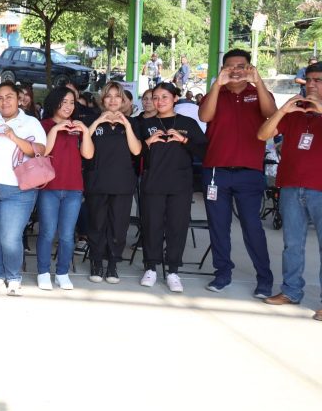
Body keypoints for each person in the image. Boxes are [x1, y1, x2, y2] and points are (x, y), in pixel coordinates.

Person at [198, 49, 277, 297]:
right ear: (222, 69)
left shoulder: (258, 92)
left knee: (252, 226)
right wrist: (217, 85)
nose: (235, 70)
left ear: (249, 68)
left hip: (249, 172)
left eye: (241, 65)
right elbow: (204, 115)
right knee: (218, 226)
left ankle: (264, 279)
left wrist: (258, 81)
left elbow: (271, 113)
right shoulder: (216, 93)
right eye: (229, 66)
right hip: (216, 171)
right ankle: (222, 273)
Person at [257, 62, 322, 320]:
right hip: (292, 187)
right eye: (309, 80)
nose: (311, 84)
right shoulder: (295, 112)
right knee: (292, 244)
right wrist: (283, 110)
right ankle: (291, 291)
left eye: (318, 80)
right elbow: (263, 134)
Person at [0, 82, 46, 296]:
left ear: (18, 99)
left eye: (9, 97)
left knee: (10, 236)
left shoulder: (30, 122)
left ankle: (13, 277)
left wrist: (14, 137)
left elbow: (40, 150)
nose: (4, 102)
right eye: (0, 98)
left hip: (18, 189)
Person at [136, 82, 207, 292]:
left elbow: (204, 152)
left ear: (175, 98)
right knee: (152, 226)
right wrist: (148, 142)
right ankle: (151, 267)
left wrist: (184, 140)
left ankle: (173, 271)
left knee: (177, 227)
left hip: (180, 184)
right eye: (155, 98)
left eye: (164, 97)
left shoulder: (187, 122)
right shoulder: (145, 123)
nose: (159, 101)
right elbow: (134, 153)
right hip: (153, 182)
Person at [36, 88, 94, 291]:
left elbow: (88, 154)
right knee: (47, 232)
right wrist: (55, 129)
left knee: (67, 235)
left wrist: (85, 131)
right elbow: (43, 151)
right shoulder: (44, 125)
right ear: (54, 102)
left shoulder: (77, 127)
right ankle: (43, 272)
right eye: (64, 101)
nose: (69, 106)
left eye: (72, 102)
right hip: (49, 187)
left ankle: (62, 273)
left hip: (74, 188)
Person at [85, 82, 142, 283]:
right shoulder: (92, 121)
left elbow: (136, 150)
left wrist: (126, 124)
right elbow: (84, 150)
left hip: (122, 183)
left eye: (117, 96)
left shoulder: (132, 123)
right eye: (108, 96)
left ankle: (112, 264)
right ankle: (96, 262)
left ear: (123, 100)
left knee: (118, 226)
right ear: (103, 100)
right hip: (97, 181)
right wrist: (97, 122)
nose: (113, 100)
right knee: (97, 224)